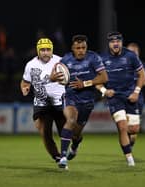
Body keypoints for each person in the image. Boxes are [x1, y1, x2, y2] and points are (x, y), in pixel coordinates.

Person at [51, 35, 108, 170]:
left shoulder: (93, 58)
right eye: (78, 48)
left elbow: (104, 77)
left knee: (76, 134)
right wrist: (53, 77)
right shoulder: (65, 59)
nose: (81, 50)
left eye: (83, 48)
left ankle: (75, 145)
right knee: (71, 119)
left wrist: (85, 83)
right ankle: (63, 157)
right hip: (70, 97)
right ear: (73, 48)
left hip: (87, 101)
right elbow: (55, 75)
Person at [97, 32, 145, 166]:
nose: (116, 43)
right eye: (113, 41)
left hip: (131, 96)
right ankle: (130, 160)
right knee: (122, 126)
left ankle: (126, 143)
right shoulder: (102, 59)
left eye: (118, 41)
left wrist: (136, 92)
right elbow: (97, 80)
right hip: (114, 97)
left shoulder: (130, 56)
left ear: (122, 42)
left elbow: (142, 75)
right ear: (109, 44)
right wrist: (104, 91)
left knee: (134, 129)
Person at [21, 38, 65, 163]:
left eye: (48, 50)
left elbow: (70, 77)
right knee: (45, 132)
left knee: (65, 132)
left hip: (59, 102)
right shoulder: (31, 65)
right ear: (37, 51)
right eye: (42, 50)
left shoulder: (61, 61)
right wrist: (25, 88)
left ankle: (66, 153)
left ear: (52, 50)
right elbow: (25, 82)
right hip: (42, 103)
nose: (45, 52)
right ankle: (57, 157)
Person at [126, 42, 145, 147]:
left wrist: (139, 82)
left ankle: (130, 146)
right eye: (130, 52)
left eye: (135, 52)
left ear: (138, 53)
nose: (132, 54)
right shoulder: (121, 65)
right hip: (122, 98)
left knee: (133, 131)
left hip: (137, 100)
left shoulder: (143, 66)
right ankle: (127, 150)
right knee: (123, 124)